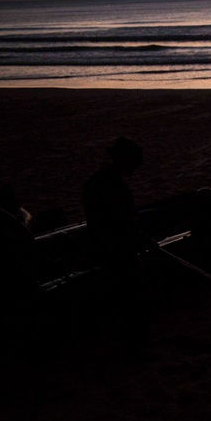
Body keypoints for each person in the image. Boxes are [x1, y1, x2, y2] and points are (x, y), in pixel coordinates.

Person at [81, 136, 153, 351]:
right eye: (135, 161)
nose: (137, 167)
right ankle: (135, 347)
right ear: (122, 158)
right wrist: (137, 239)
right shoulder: (109, 185)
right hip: (117, 249)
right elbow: (117, 221)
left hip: (110, 246)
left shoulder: (99, 181)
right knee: (133, 298)